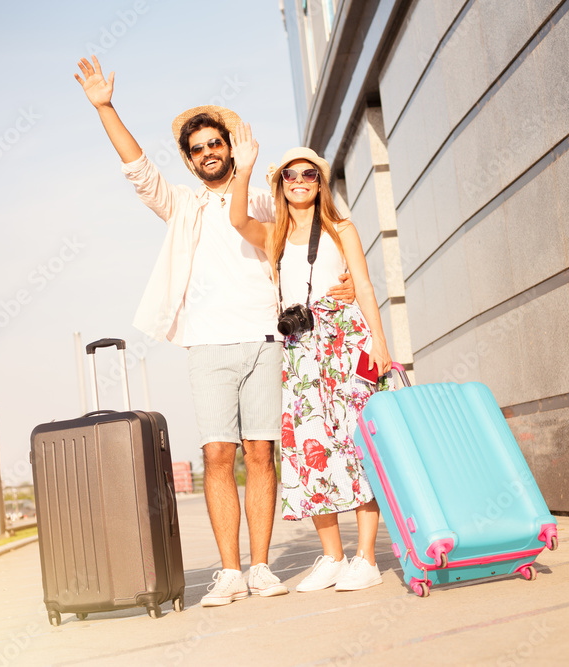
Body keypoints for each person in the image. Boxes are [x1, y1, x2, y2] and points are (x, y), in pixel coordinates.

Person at [73, 56, 356, 606]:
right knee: (217, 458)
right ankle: (228, 571)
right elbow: (138, 169)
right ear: (190, 159)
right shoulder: (180, 205)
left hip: (268, 339)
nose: (208, 153)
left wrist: (344, 278)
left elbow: (308, 225)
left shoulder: (258, 195)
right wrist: (106, 107)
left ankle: (259, 567)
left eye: (215, 144)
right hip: (206, 344)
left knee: (261, 455)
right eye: (197, 148)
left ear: (231, 147)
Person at [228, 122, 392, 592]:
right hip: (301, 351)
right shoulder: (275, 234)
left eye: (308, 175)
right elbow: (238, 220)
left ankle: (366, 558)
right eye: (290, 176)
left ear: (320, 182)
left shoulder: (341, 228)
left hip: (345, 342)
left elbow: (362, 286)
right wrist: (245, 170)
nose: (299, 182)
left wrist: (380, 346)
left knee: (356, 444)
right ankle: (331, 556)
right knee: (309, 448)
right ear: (280, 185)